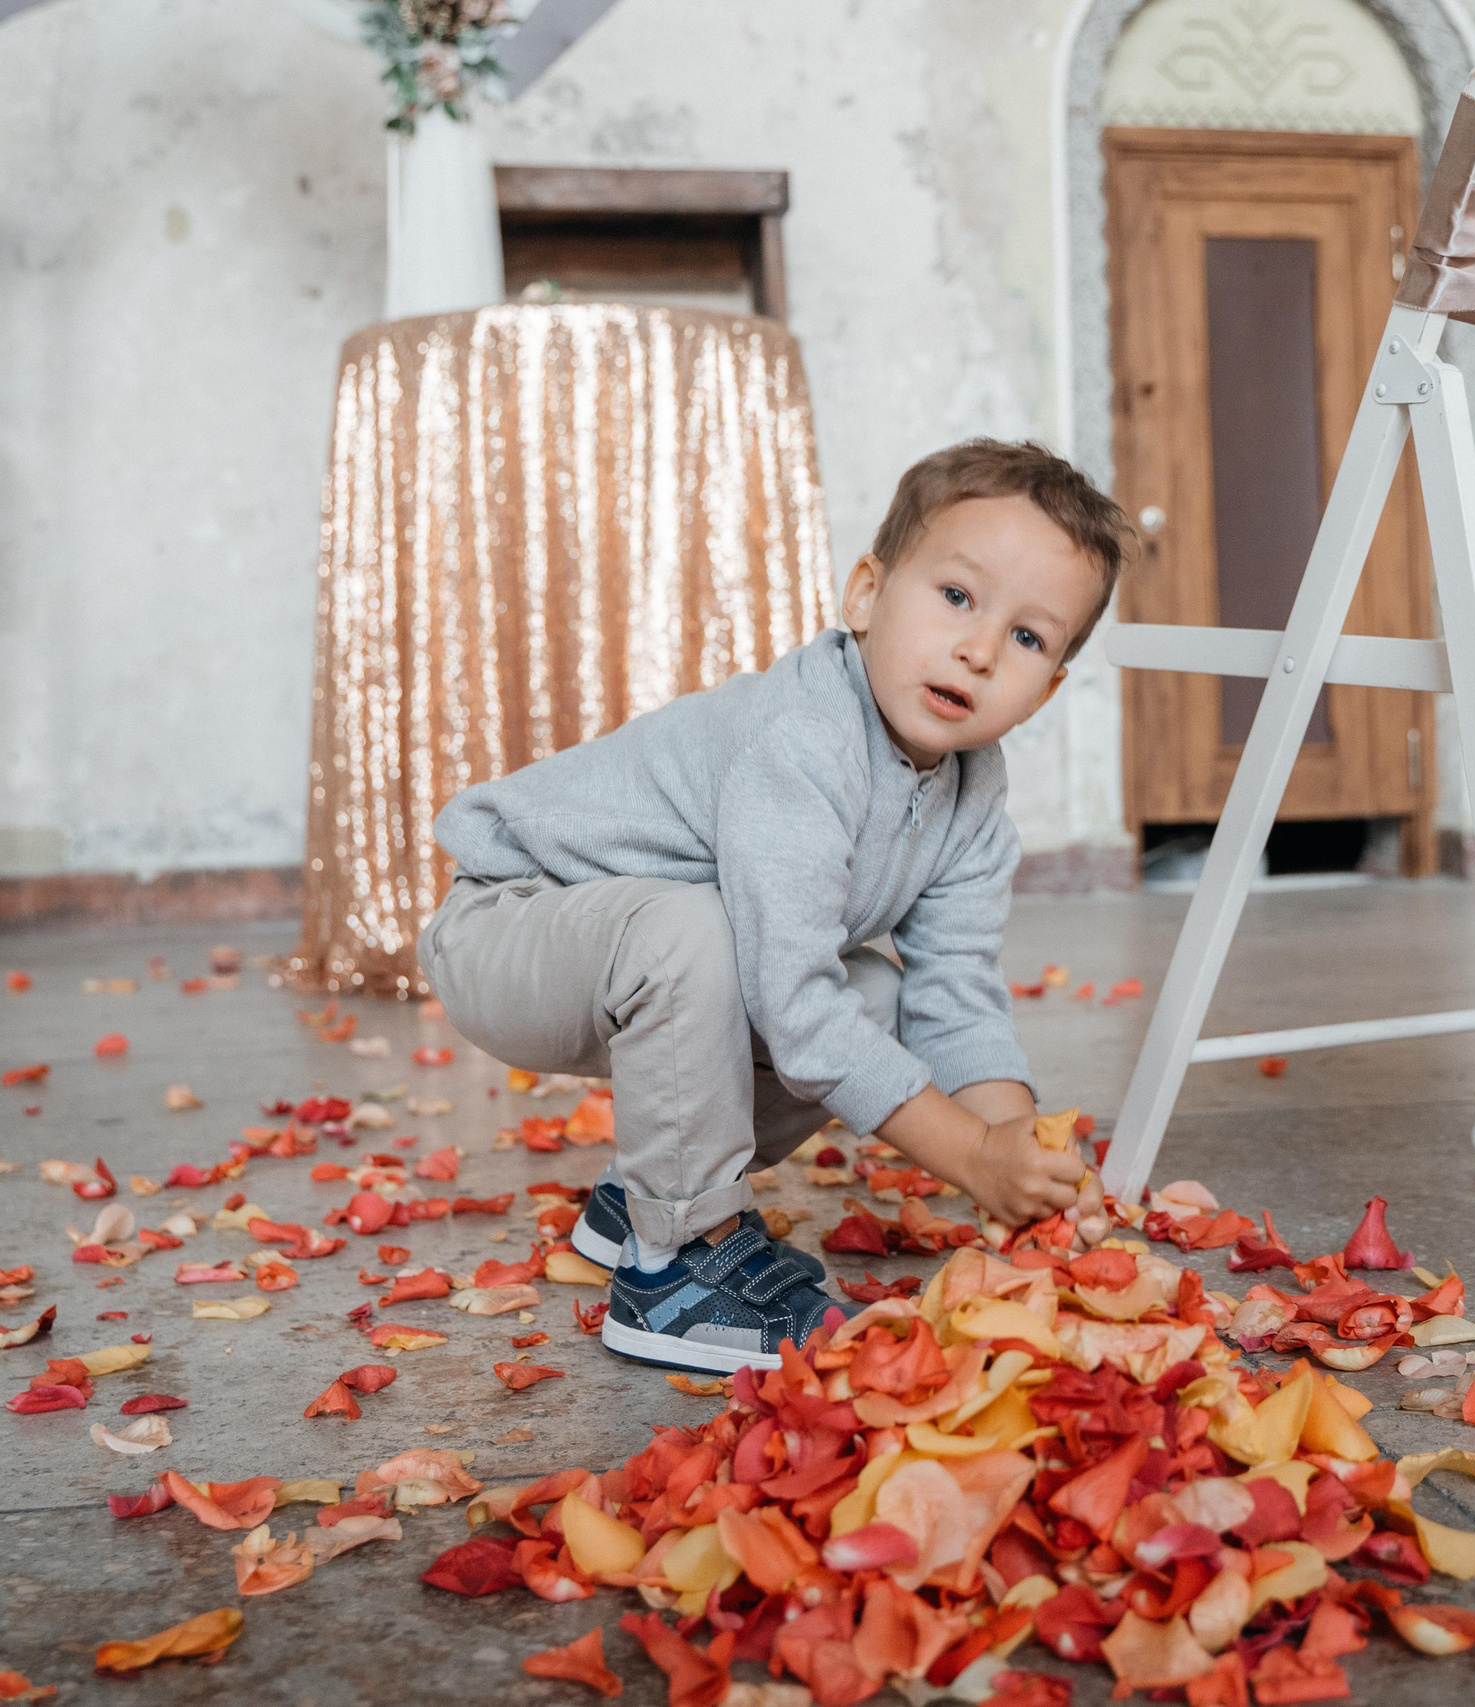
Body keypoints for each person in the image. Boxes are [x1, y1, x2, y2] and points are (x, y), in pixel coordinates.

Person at [418, 439, 1131, 1373]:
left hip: (640, 951)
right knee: (708, 941)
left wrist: (1017, 1154)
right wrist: (966, 1157)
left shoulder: (972, 803)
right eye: (956, 596)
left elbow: (952, 992)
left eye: (1029, 637)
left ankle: (641, 1200)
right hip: (510, 927)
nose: (980, 647)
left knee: (878, 996)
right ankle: (676, 1268)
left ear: (1050, 690)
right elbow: (793, 1011)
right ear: (866, 594)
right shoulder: (805, 739)